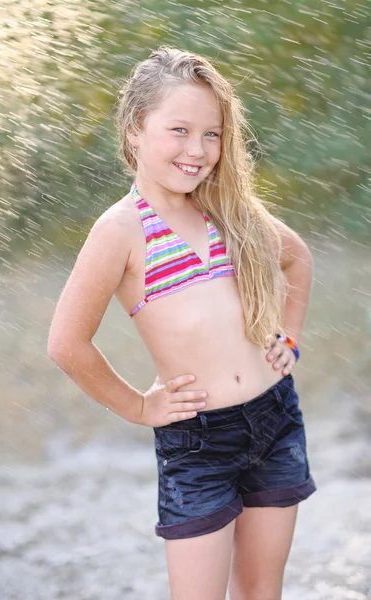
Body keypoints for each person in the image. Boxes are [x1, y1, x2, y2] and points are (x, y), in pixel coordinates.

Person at [47, 46, 317, 600]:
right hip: (198, 444)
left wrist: (288, 337)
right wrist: (139, 407)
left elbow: (298, 259)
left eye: (212, 134)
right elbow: (67, 344)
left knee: (262, 593)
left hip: (275, 417)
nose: (198, 150)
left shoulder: (227, 208)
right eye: (179, 130)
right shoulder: (121, 231)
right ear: (134, 131)